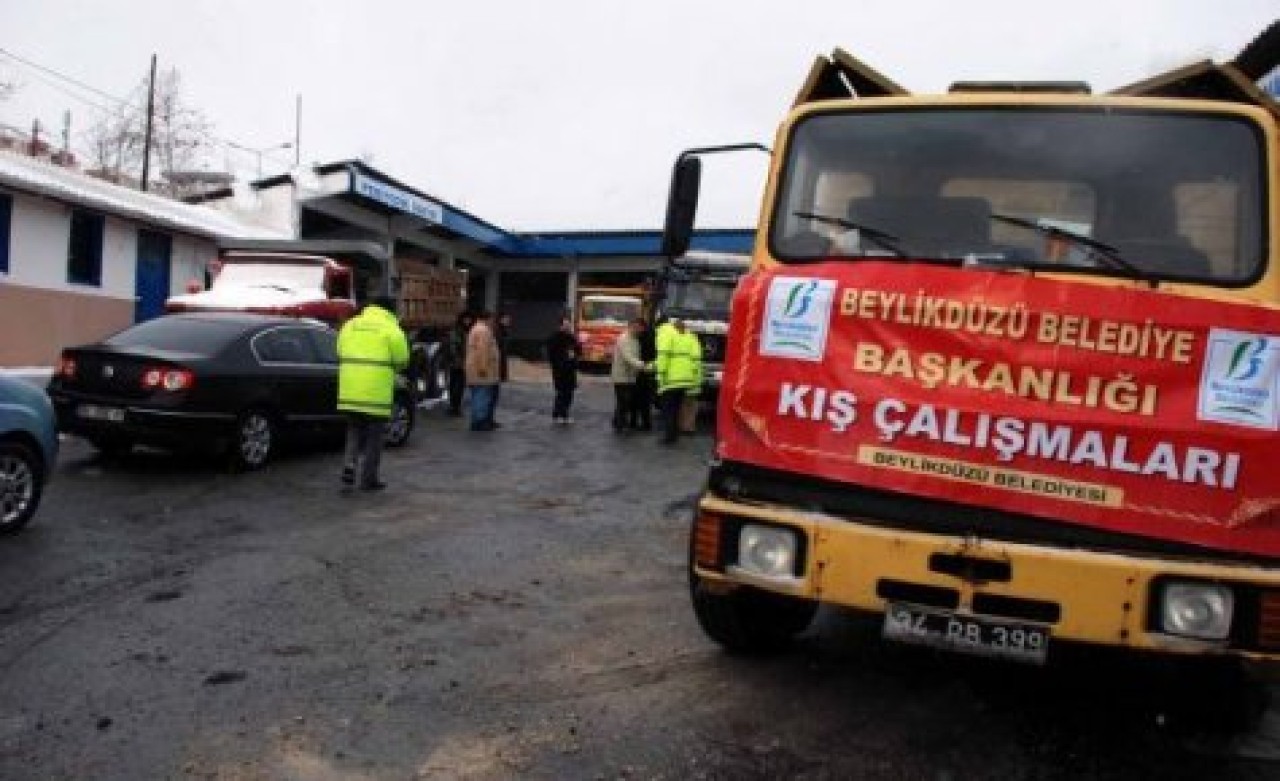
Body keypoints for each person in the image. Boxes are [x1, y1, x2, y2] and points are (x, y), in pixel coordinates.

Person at [337, 295, 409, 492]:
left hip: (350, 392)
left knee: (353, 431)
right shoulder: (392, 329)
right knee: (374, 438)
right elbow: (402, 359)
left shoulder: (350, 325)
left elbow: (339, 350)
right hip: (376, 395)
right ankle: (368, 479)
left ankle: (349, 466)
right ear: (389, 310)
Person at [655, 318, 702, 445]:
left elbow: (663, 355)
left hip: (670, 379)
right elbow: (696, 359)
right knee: (676, 409)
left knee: (668, 410)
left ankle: (669, 437)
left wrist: (660, 375)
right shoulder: (690, 337)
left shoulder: (665, 333)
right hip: (685, 380)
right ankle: (674, 435)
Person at [465, 311, 501, 431]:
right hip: (481, 371)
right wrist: (483, 368)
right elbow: (482, 350)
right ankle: (479, 422)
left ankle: (482, 420)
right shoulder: (483, 331)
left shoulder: (478, 329)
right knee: (481, 396)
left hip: (478, 369)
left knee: (481, 396)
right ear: (488, 319)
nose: (493, 322)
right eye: (492, 319)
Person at [611, 318, 647, 431]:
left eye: (642, 329)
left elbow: (635, 357)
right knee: (624, 401)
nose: (641, 331)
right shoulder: (624, 339)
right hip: (621, 376)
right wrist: (643, 365)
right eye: (639, 329)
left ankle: (618, 422)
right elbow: (628, 358)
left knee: (625, 401)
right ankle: (619, 424)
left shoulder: (635, 339)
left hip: (631, 376)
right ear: (633, 326)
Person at [546, 315, 580, 424]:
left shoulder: (571, 337)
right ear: (560, 325)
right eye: (565, 324)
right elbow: (551, 355)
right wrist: (558, 364)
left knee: (569, 394)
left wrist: (575, 352)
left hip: (570, 370)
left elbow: (578, 350)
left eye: (568, 324)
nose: (567, 326)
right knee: (561, 393)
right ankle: (557, 414)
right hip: (560, 370)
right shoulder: (554, 337)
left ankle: (565, 414)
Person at [446, 312, 474, 417]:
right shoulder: (457, 331)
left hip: (462, 362)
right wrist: (459, 360)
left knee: (459, 385)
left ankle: (455, 406)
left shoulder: (466, 331)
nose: (468, 321)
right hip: (457, 363)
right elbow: (454, 347)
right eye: (466, 319)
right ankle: (454, 407)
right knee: (456, 385)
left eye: (469, 319)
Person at [631, 318, 655, 431]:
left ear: (642, 327)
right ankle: (644, 423)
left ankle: (637, 422)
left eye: (636, 326)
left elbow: (644, 354)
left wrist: (642, 364)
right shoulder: (651, 335)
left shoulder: (642, 338)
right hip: (646, 369)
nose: (635, 329)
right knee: (643, 399)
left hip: (642, 370)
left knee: (638, 398)